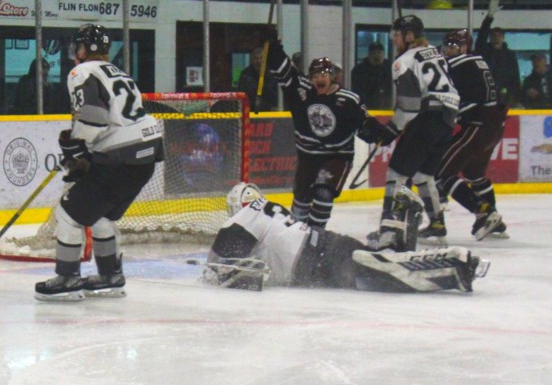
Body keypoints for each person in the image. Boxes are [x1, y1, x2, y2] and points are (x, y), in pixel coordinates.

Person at [34, 23, 164, 301]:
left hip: (120, 156)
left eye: (77, 45)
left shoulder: (82, 71)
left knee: (67, 215)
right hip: (147, 153)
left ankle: (68, 278)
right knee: (101, 215)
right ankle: (110, 276)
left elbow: (93, 117)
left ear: (84, 49)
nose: (74, 51)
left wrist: (76, 146)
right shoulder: (119, 72)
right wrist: (84, 154)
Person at [203, 182, 487, 293]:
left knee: (389, 272)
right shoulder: (269, 210)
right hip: (326, 246)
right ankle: (399, 221)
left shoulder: (241, 217)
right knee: (383, 264)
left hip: (316, 261)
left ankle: (455, 265)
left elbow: (224, 267)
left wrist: (212, 272)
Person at [265, 34, 398, 228]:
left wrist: (379, 133)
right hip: (308, 155)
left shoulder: (349, 99)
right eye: (316, 76)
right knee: (301, 201)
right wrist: (273, 49)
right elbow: (284, 71)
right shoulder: (301, 89)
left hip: (338, 156)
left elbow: (364, 124)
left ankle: (315, 237)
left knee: (324, 193)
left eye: (324, 75)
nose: (319, 79)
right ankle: (294, 236)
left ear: (332, 76)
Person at [369, 15, 460, 251]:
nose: (395, 40)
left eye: (397, 36)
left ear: (408, 36)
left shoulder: (404, 61)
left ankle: (388, 229)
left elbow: (409, 106)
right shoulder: (435, 52)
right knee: (422, 174)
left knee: (396, 172)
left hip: (428, 118)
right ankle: (437, 226)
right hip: (448, 121)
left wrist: (392, 128)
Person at [421, 29, 508, 243]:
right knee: (474, 173)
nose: (448, 50)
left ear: (464, 48)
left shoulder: (457, 64)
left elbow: (438, 84)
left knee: (440, 172)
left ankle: (484, 213)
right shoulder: (476, 60)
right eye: (447, 46)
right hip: (493, 125)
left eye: (453, 46)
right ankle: (495, 223)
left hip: (479, 124)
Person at [474, 0, 519, 107]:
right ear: (490, 38)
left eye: (499, 35)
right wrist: (489, 17)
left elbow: (515, 78)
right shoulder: (484, 51)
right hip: (485, 95)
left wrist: (515, 97)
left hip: (504, 97)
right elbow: (481, 37)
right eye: (493, 35)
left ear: (503, 38)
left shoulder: (510, 55)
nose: (496, 38)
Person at [350, 41, 393, 109]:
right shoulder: (359, 70)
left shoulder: (390, 70)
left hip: (386, 109)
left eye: (379, 52)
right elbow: (356, 91)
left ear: (383, 54)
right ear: (369, 54)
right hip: (365, 108)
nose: (376, 56)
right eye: (373, 53)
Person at [237, 46, 278, 112]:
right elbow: (241, 94)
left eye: (261, 58)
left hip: (271, 112)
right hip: (250, 112)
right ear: (252, 60)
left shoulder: (273, 73)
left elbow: (276, 95)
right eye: (256, 59)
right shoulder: (246, 75)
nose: (259, 61)